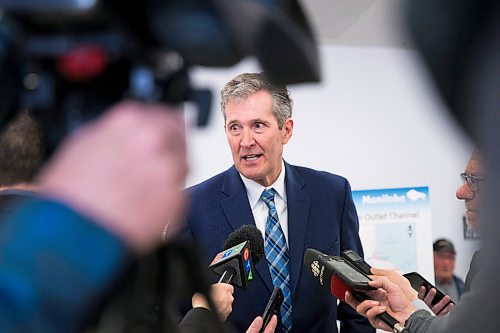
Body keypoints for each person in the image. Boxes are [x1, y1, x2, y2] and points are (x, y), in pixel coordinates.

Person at [182, 72, 373, 332]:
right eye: (234, 127)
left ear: (286, 130)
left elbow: (357, 300)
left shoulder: (332, 193)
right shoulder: (193, 207)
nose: (246, 141)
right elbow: (180, 312)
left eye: (258, 125)